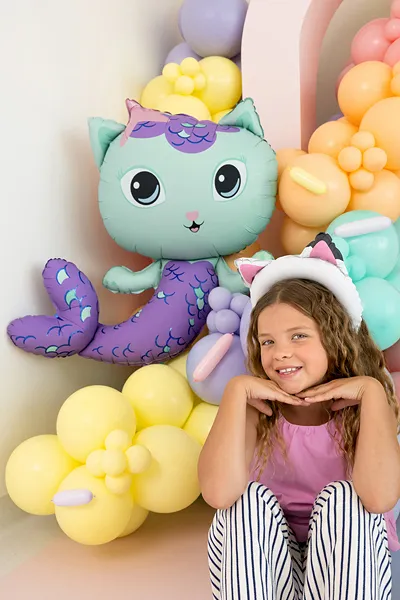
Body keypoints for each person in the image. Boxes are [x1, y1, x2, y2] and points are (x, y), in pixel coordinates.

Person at [198, 233, 400, 600]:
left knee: (344, 499)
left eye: (298, 336)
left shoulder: (365, 405)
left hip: (346, 561)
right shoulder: (255, 406)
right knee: (246, 502)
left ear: (335, 338)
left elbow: (379, 499)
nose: (280, 353)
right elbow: (219, 494)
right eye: (268, 341)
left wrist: (371, 392)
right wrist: (234, 393)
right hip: (272, 565)